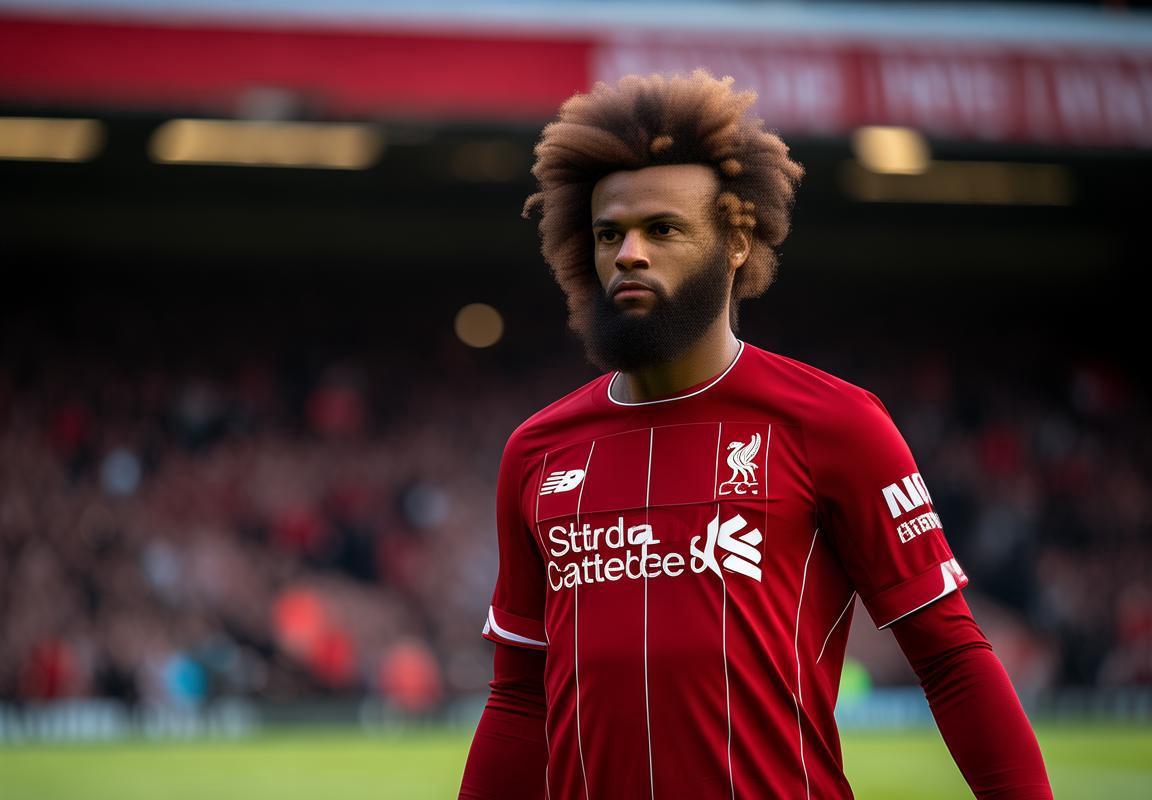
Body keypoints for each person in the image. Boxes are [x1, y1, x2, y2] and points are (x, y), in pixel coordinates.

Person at [459, 70, 1052, 799]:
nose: (628, 253)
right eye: (610, 233)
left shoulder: (835, 423)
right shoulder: (536, 452)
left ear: (736, 241)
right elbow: (519, 699)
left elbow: (951, 659)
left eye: (663, 229)